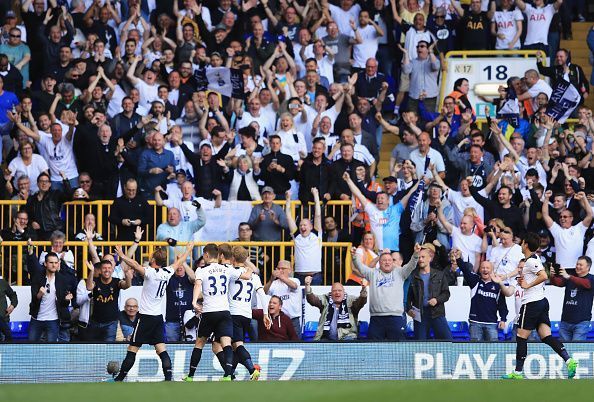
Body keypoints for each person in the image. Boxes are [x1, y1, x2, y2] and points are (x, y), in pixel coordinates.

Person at [111, 242, 195, 382]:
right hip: (158, 317)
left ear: (153, 260)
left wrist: (121, 255)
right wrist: (188, 250)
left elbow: (135, 264)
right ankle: (169, 378)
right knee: (161, 349)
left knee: (133, 348)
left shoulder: (150, 273)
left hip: (145, 317)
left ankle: (119, 379)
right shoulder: (168, 272)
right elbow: (179, 261)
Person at [502, 233, 578, 380]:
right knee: (546, 336)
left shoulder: (531, 261)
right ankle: (569, 361)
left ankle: (517, 373)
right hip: (541, 301)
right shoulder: (532, 260)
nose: (521, 245)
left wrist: (526, 285)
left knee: (521, 337)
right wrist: (524, 282)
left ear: (525, 245)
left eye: (522, 242)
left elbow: (544, 276)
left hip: (531, 303)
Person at [182, 243, 253, 382]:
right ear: (219, 255)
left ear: (207, 255)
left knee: (199, 344)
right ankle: (228, 375)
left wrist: (194, 301)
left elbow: (197, 285)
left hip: (209, 312)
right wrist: (249, 269)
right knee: (226, 343)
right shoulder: (227, 269)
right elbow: (246, 276)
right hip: (225, 312)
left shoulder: (201, 270)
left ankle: (190, 375)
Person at [352, 245, 420, 340]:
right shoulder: (372, 273)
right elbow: (360, 267)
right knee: (375, 349)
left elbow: (411, 265)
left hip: (395, 318)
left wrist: (416, 253)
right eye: (384, 260)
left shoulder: (400, 273)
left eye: (389, 260)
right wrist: (355, 257)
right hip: (376, 319)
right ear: (379, 262)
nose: (387, 262)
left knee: (397, 349)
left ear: (393, 262)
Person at [343, 171, 419, 252]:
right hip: (375, 251)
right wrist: (348, 180)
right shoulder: (372, 209)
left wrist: (419, 181)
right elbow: (358, 194)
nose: (379, 200)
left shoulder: (396, 209)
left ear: (388, 201)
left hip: (392, 251)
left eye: (382, 198)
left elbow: (410, 193)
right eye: (378, 199)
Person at [224, 246, 268, 379]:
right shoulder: (254, 276)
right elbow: (262, 295)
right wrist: (265, 314)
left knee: (237, 345)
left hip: (234, 313)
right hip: (247, 315)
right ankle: (230, 374)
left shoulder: (230, 271)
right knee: (235, 345)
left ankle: (252, 370)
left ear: (232, 258)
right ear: (246, 258)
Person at [454, 251, 512, 341]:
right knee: (475, 350)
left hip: (492, 324)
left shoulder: (497, 285)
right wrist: (458, 259)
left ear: (492, 270)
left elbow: (502, 305)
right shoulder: (475, 281)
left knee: (493, 350)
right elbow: (465, 270)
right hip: (475, 323)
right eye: (483, 268)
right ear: (480, 270)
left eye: (488, 268)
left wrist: (503, 319)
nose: (485, 270)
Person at [407, 244, 452, 340]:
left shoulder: (440, 274)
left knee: (447, 341)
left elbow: (446, 294)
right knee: (420, 345)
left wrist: (436, 300)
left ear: (429, 258)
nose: (420, 259)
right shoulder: (413, 276)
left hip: (437, 313)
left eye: (423, 257)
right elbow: (408, 297)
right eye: (419, 257)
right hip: (420, 315)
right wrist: (409, 309)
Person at [83, 257, 133, 342]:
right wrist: (91, 271)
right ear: (100, 270)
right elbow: (89, 287)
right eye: (104, 268)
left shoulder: (116, 282)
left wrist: (127, 276)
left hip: (111, 322)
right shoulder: (96, 281)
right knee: (93, 348)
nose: (107, 270)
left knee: (109, 348)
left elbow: (126, 286)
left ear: (113, 270)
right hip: (95, 321)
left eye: (109, 268)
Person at [26, 251, 72, 342]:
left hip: (53, 319)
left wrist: (67, 300)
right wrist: (39, 294)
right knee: (31, 346)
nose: (54, 265)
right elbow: (34, 300)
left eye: (56, 262)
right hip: (37, 318)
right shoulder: (37, 278)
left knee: (51, 348)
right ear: (45, 264)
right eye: (51, 262)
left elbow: (63, 304)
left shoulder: (62, 279)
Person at [305, 275, 367, 341]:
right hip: (326, 338)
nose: (337, 292)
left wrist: (364, 288)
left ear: (344, 292)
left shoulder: (351, 300)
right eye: (334, 291)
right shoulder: (325, 299)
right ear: (331, 293)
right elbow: (313, 300)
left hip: (347, 337)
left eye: (339, 290)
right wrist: (307, 285)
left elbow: (361, 301)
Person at [542, 190, 593, 271]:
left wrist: (584, 198)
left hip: (576, 269)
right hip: (560, 269)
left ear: (571, 218)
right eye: (561, 217)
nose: (562, 218)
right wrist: (546, 198)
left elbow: (590, 214)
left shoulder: (579, 228)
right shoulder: (557, 230)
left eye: (565, 217)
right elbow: (545, 215)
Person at [549, 256, 594, 341]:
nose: (577, 266)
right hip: (565, 321)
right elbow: (557, 283)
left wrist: (569, 277)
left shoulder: (591, 278)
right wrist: (552, 276)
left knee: (577, 351)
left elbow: (586, 284)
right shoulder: (570, 277)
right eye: (577, 264)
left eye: (581, 265)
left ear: (588, 267)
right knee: (564, 351)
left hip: (582, 322)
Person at [285, 188, 323, 285]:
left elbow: (318, 215)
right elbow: (288, 216)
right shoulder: (297, 235)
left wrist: (316, 195)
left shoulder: (316, 234)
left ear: (311, 226)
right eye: (301, 225)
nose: (302, 226)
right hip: (299, 275)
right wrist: (288, 199)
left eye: (305, 225)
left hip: (315, 276)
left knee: (314, 300)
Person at [263, 259, 302, 337]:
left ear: (290, 270)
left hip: (292, 320)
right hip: (278, 320)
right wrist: (271, 279)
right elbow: (264, 291)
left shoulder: (295, 280)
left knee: (296, 346)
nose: (280, 270)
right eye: (278, 268)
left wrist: (280, 276)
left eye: (283, 268)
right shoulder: (274, 283)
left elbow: (294, 286)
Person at [164, 260, 196, 342]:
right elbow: (164, 272)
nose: (179, 268)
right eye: (177, 266)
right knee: (171, 346)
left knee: (190, 344)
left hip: (189, 320)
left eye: (181, 266)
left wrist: (183, 262)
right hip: (172, 320)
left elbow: (194, 277)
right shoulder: (170, 278)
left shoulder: (189, 279)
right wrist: (175, 264)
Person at [0, 273, 17, 341]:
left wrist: (12, 306)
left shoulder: (2, 283)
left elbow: (13, 295)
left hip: (3, 319)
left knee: (7, 344)